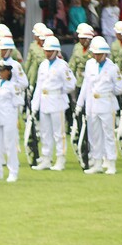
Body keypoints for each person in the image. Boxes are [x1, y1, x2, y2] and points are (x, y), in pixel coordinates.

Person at [76, 36, 122, 174]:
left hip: (106, 104)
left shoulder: (112, 68)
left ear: (105, 53)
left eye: (99, 54)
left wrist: (108, 92)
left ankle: (111, 163)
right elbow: (86, 85)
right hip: (92, 105)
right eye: (95, 54)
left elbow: (120, 88)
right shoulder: (90, 64)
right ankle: (97, 163)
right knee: (94, 135)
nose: (96, 56)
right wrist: (80, 104)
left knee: (108, 135)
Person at [30, 36, 75, 172]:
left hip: (57, 101)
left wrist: (60, 91)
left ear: (56, 51)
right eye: (46, 51)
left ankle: (60, 158)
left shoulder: (63, 65)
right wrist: (34, 104)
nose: (48, 53)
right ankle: (46, 158)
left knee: (58, 132)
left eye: (50, 51)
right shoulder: (43, 65)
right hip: (44, 101)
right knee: (45, 132)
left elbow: (71, 84)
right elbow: (39, 85)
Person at [0, 61, 24, 183]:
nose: (0, 73)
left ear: (8, 72)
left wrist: (10, 111)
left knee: (10, 145)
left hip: (9, 117)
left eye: (2, 70)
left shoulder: (14, 86)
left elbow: (18, 101)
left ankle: (13, 171)